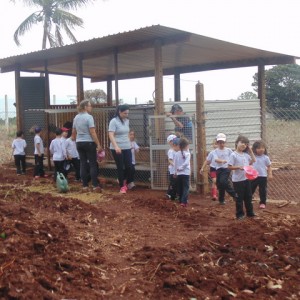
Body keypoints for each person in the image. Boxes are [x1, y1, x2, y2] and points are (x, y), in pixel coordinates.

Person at [72, 100, 102, 192]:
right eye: (89, 106)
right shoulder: (89, 117)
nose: (91, 107)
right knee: (92, 164)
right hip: (89, 142)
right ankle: (94, 185)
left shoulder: (76, 117)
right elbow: (92, 132)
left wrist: (76, 138)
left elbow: (73, 132)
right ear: (85, 107)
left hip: (79, 142)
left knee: (83, 163)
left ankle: (84, 185)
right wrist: (98, 144)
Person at [228, 135, 256, 220]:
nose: (244, 145)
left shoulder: (246, 155)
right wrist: (238, 167)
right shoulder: (233, 155)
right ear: (237, 143)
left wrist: (251, 151)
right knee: (239, 198)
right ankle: (239, 214)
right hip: (238, 181)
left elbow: (253, 160)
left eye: (246, 144)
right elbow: (229, 166)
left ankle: (250, 213)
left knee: (248, 196)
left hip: (246, 179)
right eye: (242, 142)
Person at [206, 133, 237, 205]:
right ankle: (221, 200)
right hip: (218, 169)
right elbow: (216, 159)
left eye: (223, 142)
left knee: (223, 181)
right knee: (220, 184)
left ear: (225, 142)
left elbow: (233, 157)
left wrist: (233, 164)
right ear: (217, 143)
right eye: (220, 142)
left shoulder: (229, 150)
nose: (221, 144)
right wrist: (223, 161)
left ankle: (234, 194)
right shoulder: (215, 151)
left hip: (226, 168)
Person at [108, 104, 132, 194]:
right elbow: (111, 134)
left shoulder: (127, 121)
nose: (126, 115)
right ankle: (122, 186)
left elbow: (127, 133)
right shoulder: (113, 121)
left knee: (129, 166)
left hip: (127, 146)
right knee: (120, 166)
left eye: (127, 113)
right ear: (120, 112)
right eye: (125, 113)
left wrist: (129, 143)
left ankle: (121, 179)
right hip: (117, 147)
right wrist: (116, 146)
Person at [251, 140, 273, 209]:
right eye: (259, 148)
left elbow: (269, 166)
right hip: (254, 176)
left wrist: (270, 174)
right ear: (254, 149)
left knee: (262, 190)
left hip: (263, 176)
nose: (261, 149)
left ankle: (262, 203)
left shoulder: (265, 158)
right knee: (251, 188)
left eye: (263, 148)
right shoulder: (253, 157)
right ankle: (248, 200)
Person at [174, 137, 191, 207]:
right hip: (185, 173)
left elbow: (175, 163)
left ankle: (181, 200)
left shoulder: (177, 153)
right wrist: (181, 168)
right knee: (186, 187)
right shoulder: (187, 154)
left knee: (180, 187)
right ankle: (184, 201)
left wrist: (175, 171)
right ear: (186, 146)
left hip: (179, 173)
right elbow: (186, 163)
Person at [166, 134, 179, 200]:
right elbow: (170, 160)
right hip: (173, 170)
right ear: (170, 142)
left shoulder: (177, 150)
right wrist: (175, 165)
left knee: (175, 182)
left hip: (177, 170)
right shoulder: (171, 151)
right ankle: (170, 194)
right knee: (173, 183)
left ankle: (173, 195)